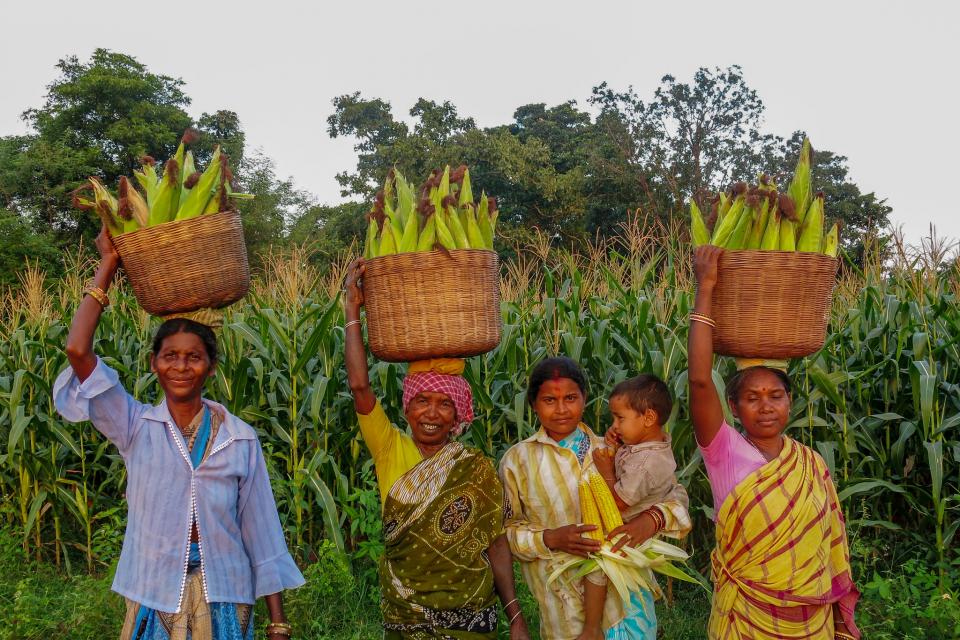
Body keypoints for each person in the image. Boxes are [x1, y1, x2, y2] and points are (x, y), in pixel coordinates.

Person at [53, 226, 304, 640]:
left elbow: (261, 529)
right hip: (154, 591)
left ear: (211, 366)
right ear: (154, 363)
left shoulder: (239, 439)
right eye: (171, 356)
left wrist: (278, 620)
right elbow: (78, 351)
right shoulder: (134, 425)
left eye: (194, 357)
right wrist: (108, 265)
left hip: (225, 595)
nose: (182, 367)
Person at [342, 257, 530, 640]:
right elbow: (361, 387)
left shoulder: (473, 467)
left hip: (470, 614)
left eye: (444, 404)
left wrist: (515, 617)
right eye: (422, 401)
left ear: (458, 412)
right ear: (407, 408)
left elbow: (495, 542)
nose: (432, 413)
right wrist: (352, 312)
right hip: (406, 615)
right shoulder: (389, 445)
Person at [688, 245, 860, 640]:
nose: (765, 407)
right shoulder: (723, 452)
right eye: (752, 398)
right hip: (748, 617)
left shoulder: (811, 463)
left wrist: (838, 618)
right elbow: (699, 379)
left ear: (790, 401)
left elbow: (830, 544)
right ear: (733, 405)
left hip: (812, 620)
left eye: (775, 396)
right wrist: (707, 287)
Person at [499, 357, 691, 640]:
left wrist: (652, 519)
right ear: (533, 404)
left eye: (571, 398)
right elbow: (505, 534)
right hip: (561, 610)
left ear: (585, 399)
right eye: (549, 400)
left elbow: (675, 495)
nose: (562, 409)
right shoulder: (517, 462)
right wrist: (550, 538)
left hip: (625, 602)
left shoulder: (616, 450)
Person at [580, 374, 689, 640]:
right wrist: (617, 445)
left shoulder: (647, 462)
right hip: (626, 532)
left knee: (599, 575)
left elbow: (618, 501)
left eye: (620, 418)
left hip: (629, 535)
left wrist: (606, 469)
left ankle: (593, 629)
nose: (614, 425)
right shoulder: (643, 444)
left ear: (649, 418)